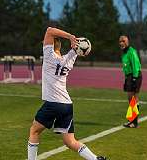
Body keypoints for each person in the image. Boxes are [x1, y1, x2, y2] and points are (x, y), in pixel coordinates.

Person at [27, 27, 107, 160]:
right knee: (70, 141)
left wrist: (70, 36)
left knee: (34, 131)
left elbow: (49, 30)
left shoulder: (48, 56)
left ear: (52, 45)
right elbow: (78, 50)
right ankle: (95, 159)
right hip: (66, 104)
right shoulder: (70, 58)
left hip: (53, 104)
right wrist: (77, 44)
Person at [119, 35, 142, 128]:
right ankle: (133, 121)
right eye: (120, 41)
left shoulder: (131, 51)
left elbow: (135, 64)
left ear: (127, 42)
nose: (121, 43)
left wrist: (134, 78)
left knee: (133, 99)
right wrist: (126, 79)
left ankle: (134, 122)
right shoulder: (124, 53)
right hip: (129, 76)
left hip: (134, 76)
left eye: (123, 41)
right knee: (131, 99)